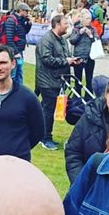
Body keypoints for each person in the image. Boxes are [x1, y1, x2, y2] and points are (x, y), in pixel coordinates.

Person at [65, 75, 109, 183]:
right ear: (106, 95)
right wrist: (81, 183)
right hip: (89, 185)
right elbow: (73, 152)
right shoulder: (90, 116)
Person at [36, 13, 75, 151]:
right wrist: (66, 61)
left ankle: (38, 132)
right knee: (48, 110)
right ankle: (45, 138)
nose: (68, 26)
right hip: (47, 81)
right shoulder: (46, 40)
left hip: (59, 80)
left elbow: (64, 56)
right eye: (65, 24)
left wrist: (72, 60)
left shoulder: (62, 40)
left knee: (44, 109)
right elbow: (47, 59)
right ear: (57, 25)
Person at [2, 2, 31, 88]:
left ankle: (19, 91)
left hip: (19, 50)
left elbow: (24, 32)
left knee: (19, 73)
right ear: (21, 10)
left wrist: (28, 24)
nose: (27, 13)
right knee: (13, 74)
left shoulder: (21, 20)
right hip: (13, 51)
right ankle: (11, 91)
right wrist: (15, 52)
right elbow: (9, 38)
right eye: (26, 11)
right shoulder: (11, 20)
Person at [69, 10, 98, 91]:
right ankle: (77, 97)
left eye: (90, 18)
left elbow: (97, 42)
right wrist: (79, 34)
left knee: (89, 79)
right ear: (82, 19)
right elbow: (72, 41)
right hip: (78, 57)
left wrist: (90, 36)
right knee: (78, 79)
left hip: (90, 57)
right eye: (87, 18)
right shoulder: (76, 28)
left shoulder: (93, 29)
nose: (89, 20)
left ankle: (88, 97)